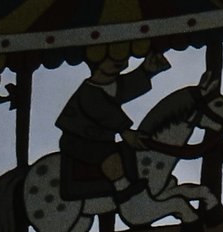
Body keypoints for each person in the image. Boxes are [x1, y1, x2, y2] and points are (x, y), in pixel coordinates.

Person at [57, 47, 170, 201]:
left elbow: (130, 84)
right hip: (78, 140)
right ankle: (122, 187)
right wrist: (125, 131)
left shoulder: (115, 85)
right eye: (109, 57)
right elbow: (102, 110)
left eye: (120, 54)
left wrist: (146, 70)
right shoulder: (89, 91)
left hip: (101, 139)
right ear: (97, 63)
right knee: (110, 157)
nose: (118, 59)